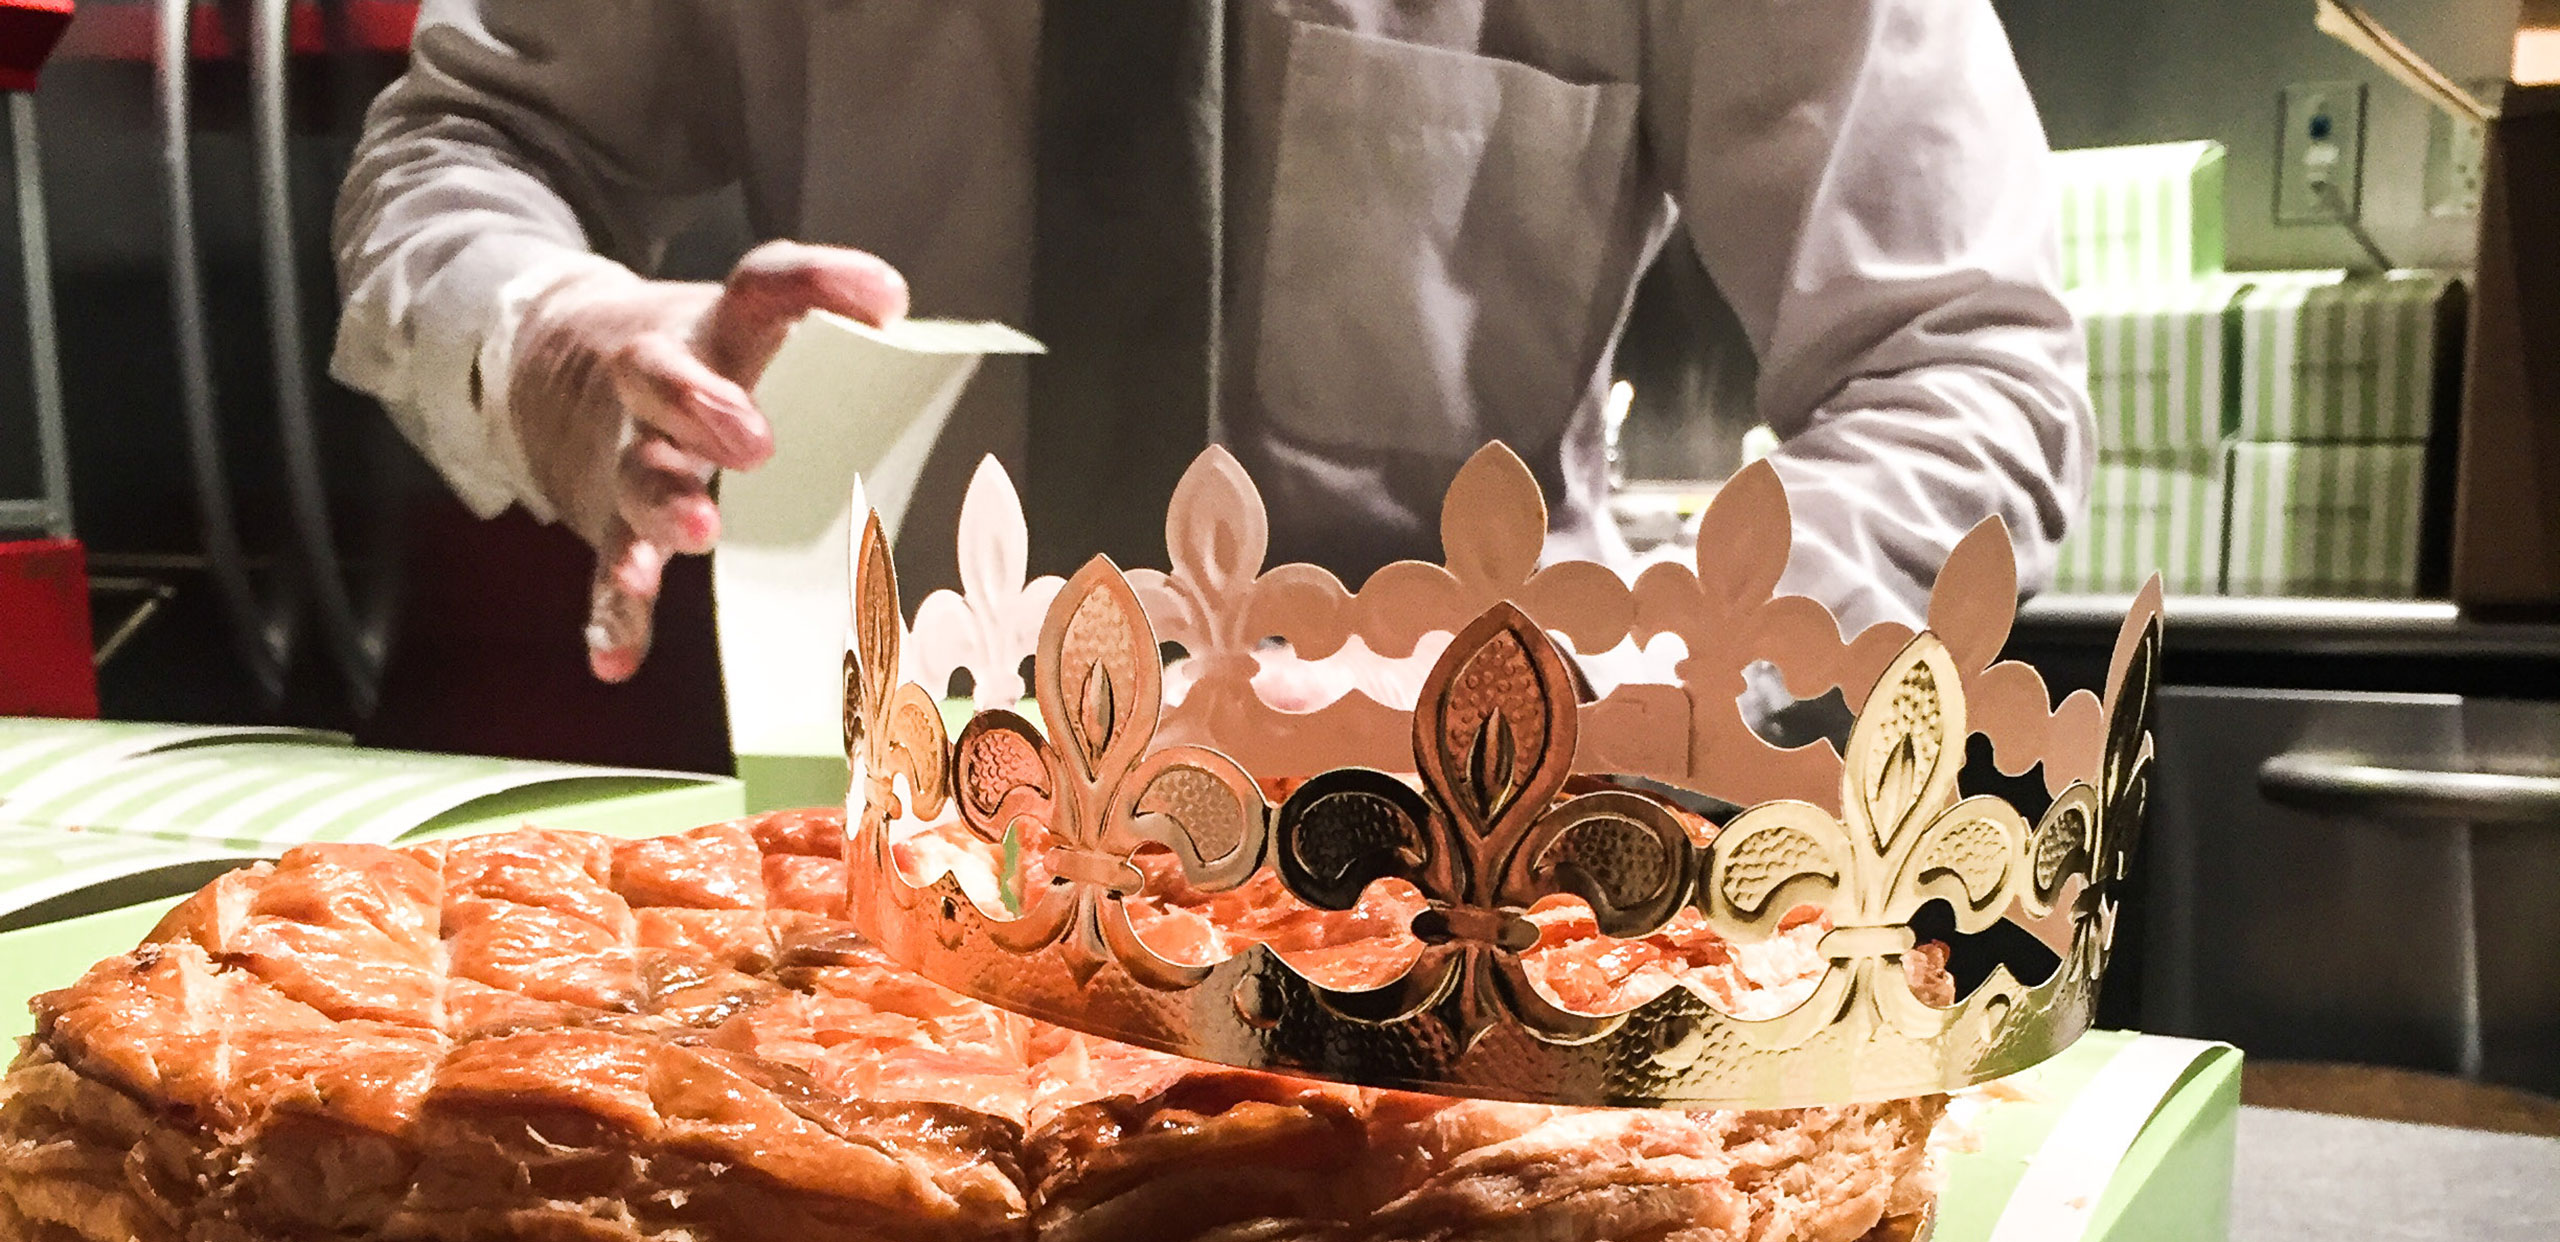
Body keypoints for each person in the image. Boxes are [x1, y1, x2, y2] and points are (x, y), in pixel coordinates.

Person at [333, 1, 2092, 687]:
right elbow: (471, 145)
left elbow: (1970, 364)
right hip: (883, 862)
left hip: (1479, 878)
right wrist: (552, 330)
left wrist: (1633, 692)